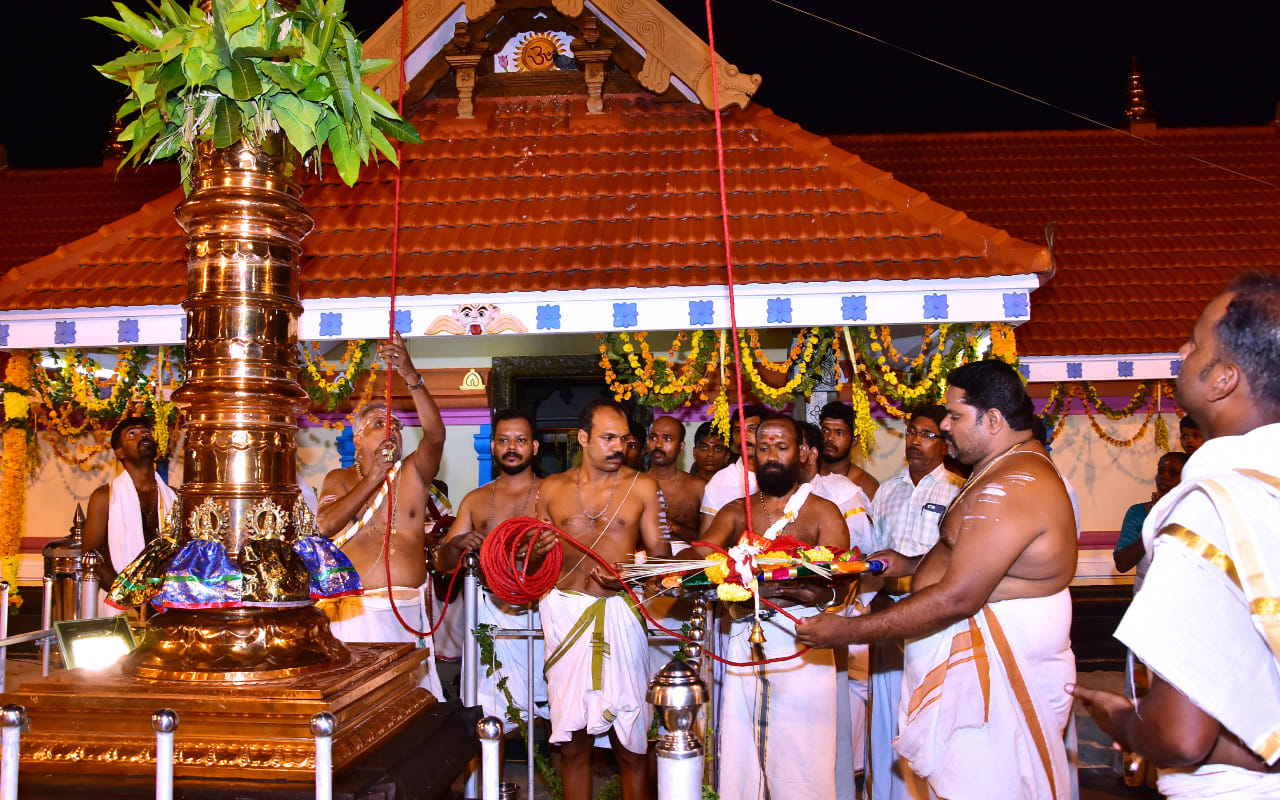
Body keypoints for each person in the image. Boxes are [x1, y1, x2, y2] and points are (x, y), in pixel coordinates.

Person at [797, 360, 1079, 798]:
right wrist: (911, 564)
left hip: (999, 669)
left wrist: (847, 631)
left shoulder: (1015, 482)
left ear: (993, 419)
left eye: (955, 416)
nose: (945, 425)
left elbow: (957, 598)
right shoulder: (1002, 468)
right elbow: (976, 557)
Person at [1070, 273, 1280, 798]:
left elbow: (1181, 736)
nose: (1181, 350)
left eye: (1195, 341)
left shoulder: (1214, 507)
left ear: (1223, 380)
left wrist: (1122, 719)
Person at [694, 415, 852, 800]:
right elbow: (702, 555)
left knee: (803, 756)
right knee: (739, 753)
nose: (771, 456)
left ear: (801, 452)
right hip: (744, 639)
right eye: (763, 448)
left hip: (803, 645)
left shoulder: (823, 511)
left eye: (781, 447)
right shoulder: (736, 510)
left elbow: (844, 583)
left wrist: (804, 591)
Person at [528, 398, 671, 800]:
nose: (618, 448)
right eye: (608, 438)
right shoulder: (551, 489)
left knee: (631, 745)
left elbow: (663, 557)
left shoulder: (642, 486)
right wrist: (537, 553)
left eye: (624, 439)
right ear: (583, 438)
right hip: (566, 615)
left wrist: (628, 577)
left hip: (622, 615)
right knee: (572, 745)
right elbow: (535, 556)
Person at [316, 332, 446, 696]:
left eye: (397, 426)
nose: (391, 429)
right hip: (358, 615)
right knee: (362, 704)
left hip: (407, 613)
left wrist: (411, 376)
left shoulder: (414, 474)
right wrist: (373, 477)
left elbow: (435, 437)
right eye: (378, 424)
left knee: (411, 707)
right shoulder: (340, 479)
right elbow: (325, 526)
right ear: (356, 439)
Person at [865, 404, 964, 800]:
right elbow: (874, 556)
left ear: (945, 443)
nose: (915, 442)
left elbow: (957, 559)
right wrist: (875, 597)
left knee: (926, 715)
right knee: (887, 717)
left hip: (934, 617)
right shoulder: (886, 491)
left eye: (926, 434)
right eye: (910, 432)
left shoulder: (958, 489)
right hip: (888, 613)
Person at [436, 409, 548, 731]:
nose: (512, 447)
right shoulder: (476, 499)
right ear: (494, 446)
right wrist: (457, 545)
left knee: (555, 712)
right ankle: (490, 783)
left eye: (520, 440)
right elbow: (442, 565)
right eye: (504, 440)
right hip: (490, 612)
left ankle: (558, 782)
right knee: (491, 710)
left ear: (534, 447)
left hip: (544, 611)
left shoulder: (554, 494)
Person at [83, 415, 178, 615]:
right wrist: (129, 597)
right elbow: (91, 556)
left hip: (165, 604)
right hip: (120, 602)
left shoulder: (174, 497)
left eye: (146, 432)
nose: (143, 436)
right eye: (132, 434)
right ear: (119, 452)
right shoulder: (104, 497)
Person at [1113, 451, 1188, 576]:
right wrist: (1155, 521)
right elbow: (1122, 564)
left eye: (1173, 473)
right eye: (1161, 471)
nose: (1164, 476)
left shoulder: (1197, 513)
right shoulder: (1138, 513)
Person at [700, 404, 770, 532]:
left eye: (752, 429)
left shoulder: (780, 476)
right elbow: (706, 540)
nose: (744, 436)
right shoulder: (720, 481)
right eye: (738, 431)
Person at [645, 415, 706, 552]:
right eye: (653, 437)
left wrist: (676, 527)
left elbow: (710, 541)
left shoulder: (698, 487)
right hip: (642, 565)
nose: (658, 444)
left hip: (688, 565)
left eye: (667, 439)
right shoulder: (633, 484)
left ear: (681, 446)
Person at [819, 400, 880, 500]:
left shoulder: (866, 485)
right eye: (825, 430)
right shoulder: (806, 475)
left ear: (855, 440)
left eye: (839, 433)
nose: (829, 437)